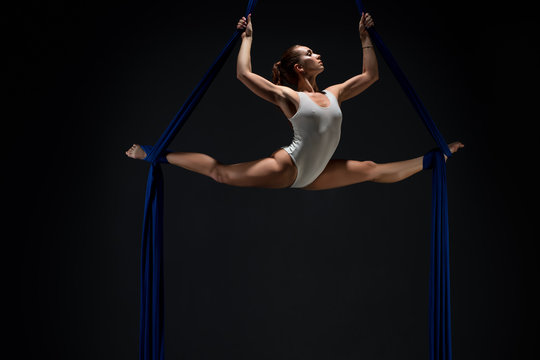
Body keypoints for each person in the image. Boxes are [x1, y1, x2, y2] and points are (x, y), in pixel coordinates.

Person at [125, 13, 463, 190]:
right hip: (291, 166)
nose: (319, 55)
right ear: (300, 67)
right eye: (311, 53)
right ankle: (157, 154)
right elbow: (244, 74)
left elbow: (370, 76)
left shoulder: (333, 92)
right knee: (221, 175)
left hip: (317, 174)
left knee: (372, 170)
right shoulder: (290, 97)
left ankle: (434, 161)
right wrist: (247, 39)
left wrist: (366, 38)